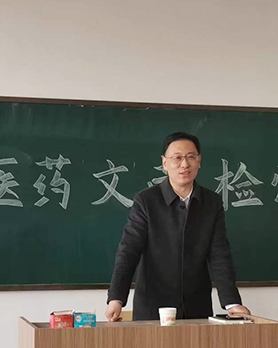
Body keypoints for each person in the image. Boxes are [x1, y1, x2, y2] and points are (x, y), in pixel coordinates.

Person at [105, 132, 251, 321]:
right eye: (177, 158)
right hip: (153, 308)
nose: (184, 164)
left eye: (191, 157)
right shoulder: (146, 201)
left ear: (199, 161)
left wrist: (231, 303)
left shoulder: (211, 202)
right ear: (164, 163)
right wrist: (116, 298)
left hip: (197, 307)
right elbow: (129, 251)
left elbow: (219, 255)